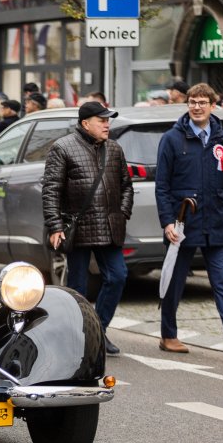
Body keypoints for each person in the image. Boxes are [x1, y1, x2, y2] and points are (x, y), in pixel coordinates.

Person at [154, 83, 223, 357]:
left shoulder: (222, 139)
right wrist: (168, 221)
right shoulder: (172, 139)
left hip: (214, 220)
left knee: (222, 280)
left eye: (202, 102)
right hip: (183, 223)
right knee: (175, 281)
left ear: (212, 105)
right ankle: (168, 335)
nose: (197, 107)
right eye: (193, 102)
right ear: (188, 105)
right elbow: (162, 185)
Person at [42, 101, 133, 356]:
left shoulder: (114, 149)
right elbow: (51, 190)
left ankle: (99, 331)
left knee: (118, 276)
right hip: (78, 226)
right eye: (102, 120)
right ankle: (78, 336)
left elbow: (126, 185)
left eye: (108, 120)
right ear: (85, 124)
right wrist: (55, 225)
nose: (107, 124)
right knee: (78, 287)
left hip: (109, 226)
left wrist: (122, 213)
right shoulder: (62, 147)